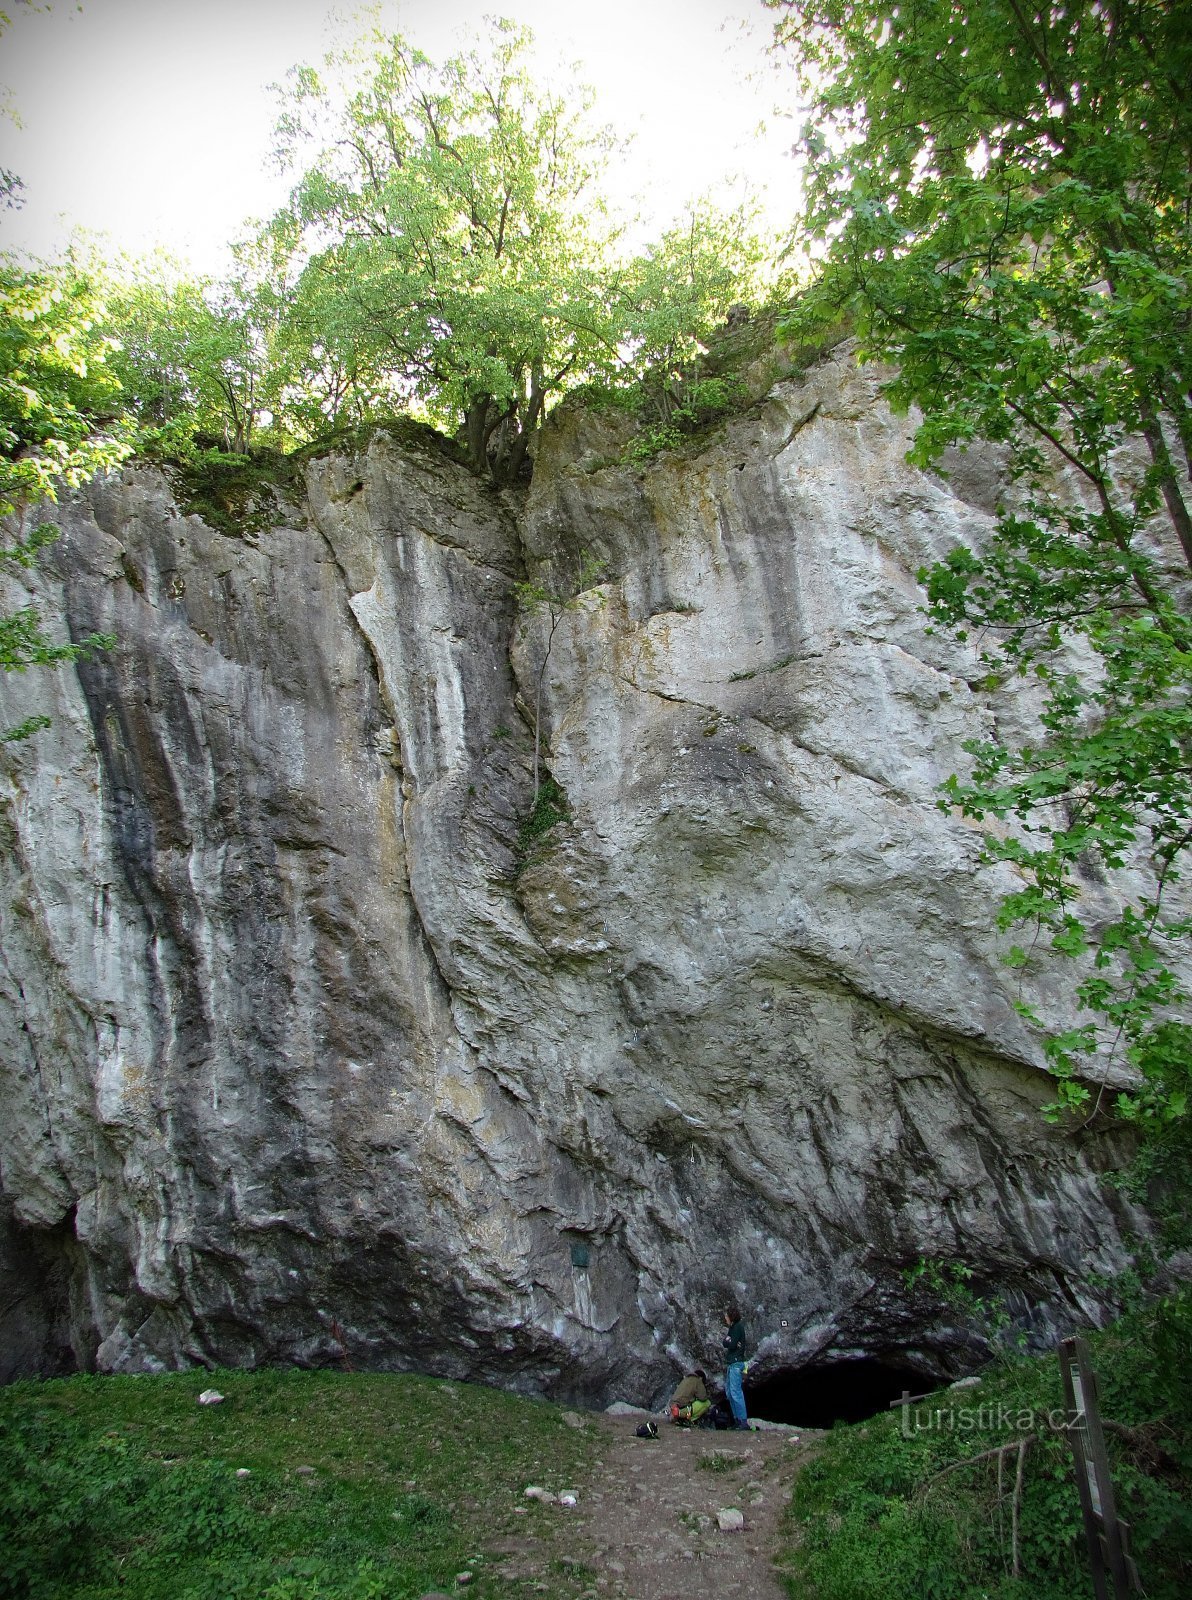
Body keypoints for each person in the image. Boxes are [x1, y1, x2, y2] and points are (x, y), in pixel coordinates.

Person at [721, 1305, 750, 1430]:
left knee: (736, 1392)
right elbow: (725, 1343)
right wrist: (729, 1341)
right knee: (729, 1392)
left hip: (736, 1363)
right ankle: (737, 1419)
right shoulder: (732, 1328)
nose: (725, 1318)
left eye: (726, 1316)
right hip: (731, 1363)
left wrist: (729, 1341)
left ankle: (743, 1421)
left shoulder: (737, 1327)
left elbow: (731, 1344)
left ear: (731, 1316)